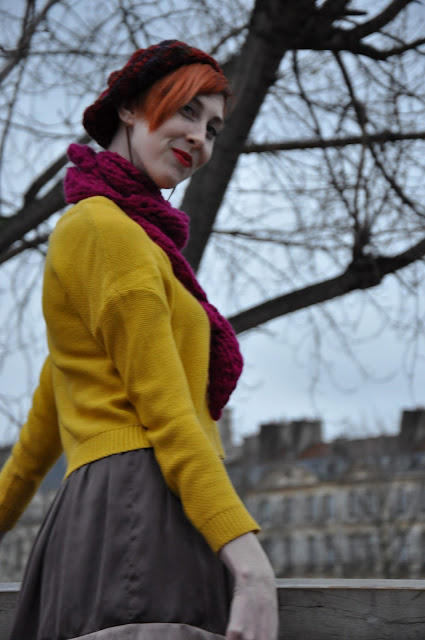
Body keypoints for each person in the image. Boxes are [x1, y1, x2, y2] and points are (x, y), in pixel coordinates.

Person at [0, 40, 278, 640]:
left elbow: (43, 426)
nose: (199, 138)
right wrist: (251, 565)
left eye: (213, 129)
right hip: (140, 512)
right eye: (186, 111)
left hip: (128, 516)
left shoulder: (124, 237)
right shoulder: (105, 229)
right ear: (128, 107)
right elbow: (167, 412)